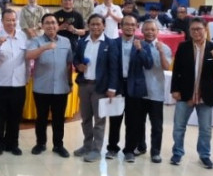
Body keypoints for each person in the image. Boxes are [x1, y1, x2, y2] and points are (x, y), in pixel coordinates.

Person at [170, 17, 213, 169]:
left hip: (206, 95)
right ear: (189, 31)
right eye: (193, 29)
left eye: (199, 29)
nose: (196, 32)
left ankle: (204, 155)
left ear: (205, 30)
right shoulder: (183, 47)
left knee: (205, 129)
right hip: (184, 93)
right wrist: (174, 89)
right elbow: (176, 70)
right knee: (179, 126)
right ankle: (177, 152)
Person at [26, 13, 73, 158]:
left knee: (59, 118)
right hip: (42, 86)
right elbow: (29, 56)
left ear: (57, 26)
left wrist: (70, 81)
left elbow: (69, 63)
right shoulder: (36, 41)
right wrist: (44, 48)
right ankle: (40, 143)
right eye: (47, 23)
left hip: (61, 86)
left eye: (53, 23)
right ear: (43, 26)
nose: (51, 25)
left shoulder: (66, 42)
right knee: (41, 117)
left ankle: (58, 145)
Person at [108, 16, 152, 163]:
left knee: (133, 121)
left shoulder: (143, 44)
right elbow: (110, 67)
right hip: (118, 86)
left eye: (132, 25)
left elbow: (149, 64)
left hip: (135, 87)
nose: (129, 27)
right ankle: (112, 148)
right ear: (121, 26)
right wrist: (111, 87)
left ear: (136, 27)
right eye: (126, 24)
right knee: (115, 120)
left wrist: (140, 50)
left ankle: (129, 150)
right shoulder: (113, 43)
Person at [0, 9, 27, 156]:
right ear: (2, 22)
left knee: (15, 116)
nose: (11, 23)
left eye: (13, 20)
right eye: (8, 20)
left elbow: (27, 57)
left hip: (18, 84)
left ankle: (13, 144)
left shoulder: (22, 37)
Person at [72, 14, 111, 163]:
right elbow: (76, 58)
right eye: (92, 24)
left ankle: (96, 150)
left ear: (104, 26)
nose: (95, 27)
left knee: (99, 120)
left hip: (100, 87)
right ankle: (87, 145)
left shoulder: (109, 44)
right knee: (86, 118)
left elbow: (113, 67)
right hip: (84, 84)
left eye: (98, 24)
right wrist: (78, 66)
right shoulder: (82, 42)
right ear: (88, 26)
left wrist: (112, 88)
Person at [138, 19, 172, 164]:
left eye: (153, 29)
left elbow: (166, 67)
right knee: (139, 123)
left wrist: (161, 51)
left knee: (156, 125)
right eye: (147, 29)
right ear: (142, 31)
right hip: (140, 91)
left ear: (157, 32)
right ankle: (140, 147)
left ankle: (156, 152)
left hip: (156, 92)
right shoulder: (138, 45)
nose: (150, 32)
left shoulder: (164, 47)